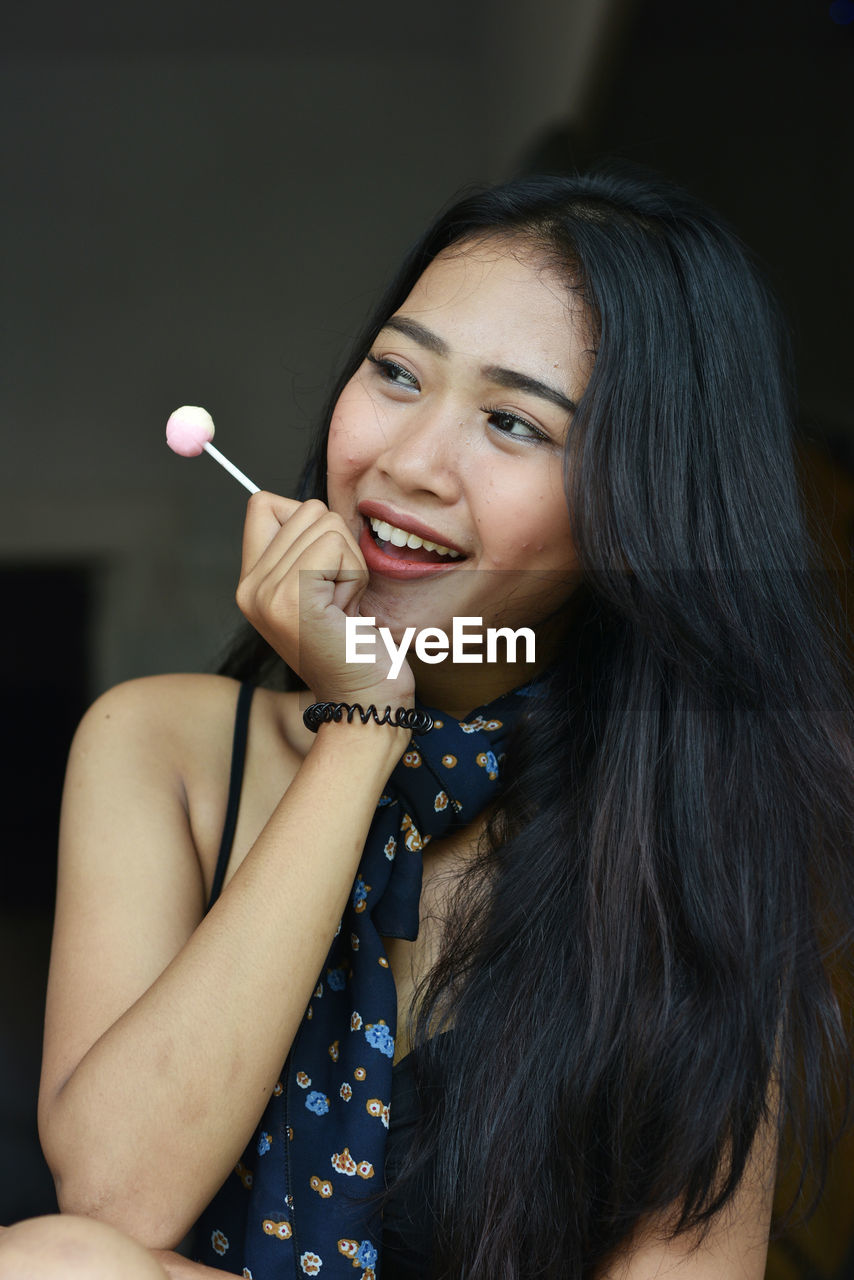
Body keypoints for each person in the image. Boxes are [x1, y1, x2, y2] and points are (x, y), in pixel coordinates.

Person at [1, 168, 852, 1280]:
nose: (405, 464)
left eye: (511, 422)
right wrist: (362, 721)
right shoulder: (157, 745)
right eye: (396, 373)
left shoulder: (689, 837)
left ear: (639, 507)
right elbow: (117, 1195)